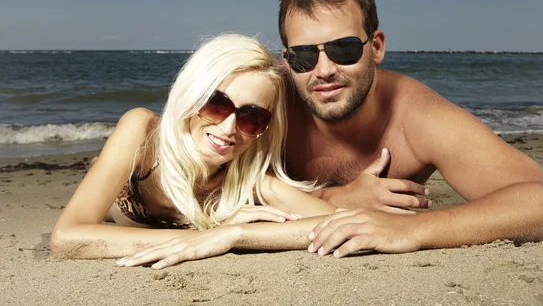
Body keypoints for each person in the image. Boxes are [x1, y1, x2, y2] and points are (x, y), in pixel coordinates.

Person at [277, 0, 543, 258]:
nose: (325, 70)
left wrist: (410, 228)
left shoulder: (415, 116)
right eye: (303, 56)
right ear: (287, 61)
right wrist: (332, 199)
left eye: (344, 49)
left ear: (377, 47)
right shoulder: (266, 103)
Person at [50, 33, 336, 267]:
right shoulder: (141, 132)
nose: (228, 128)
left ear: (264, 127)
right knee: (101, 167)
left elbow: (338, 222)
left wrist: (234, 235)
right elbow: (66, 238)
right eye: (217, 103)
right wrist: (208, 234)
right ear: (192, 94)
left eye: (251, 116)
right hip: (121, 184)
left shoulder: (250, 182)